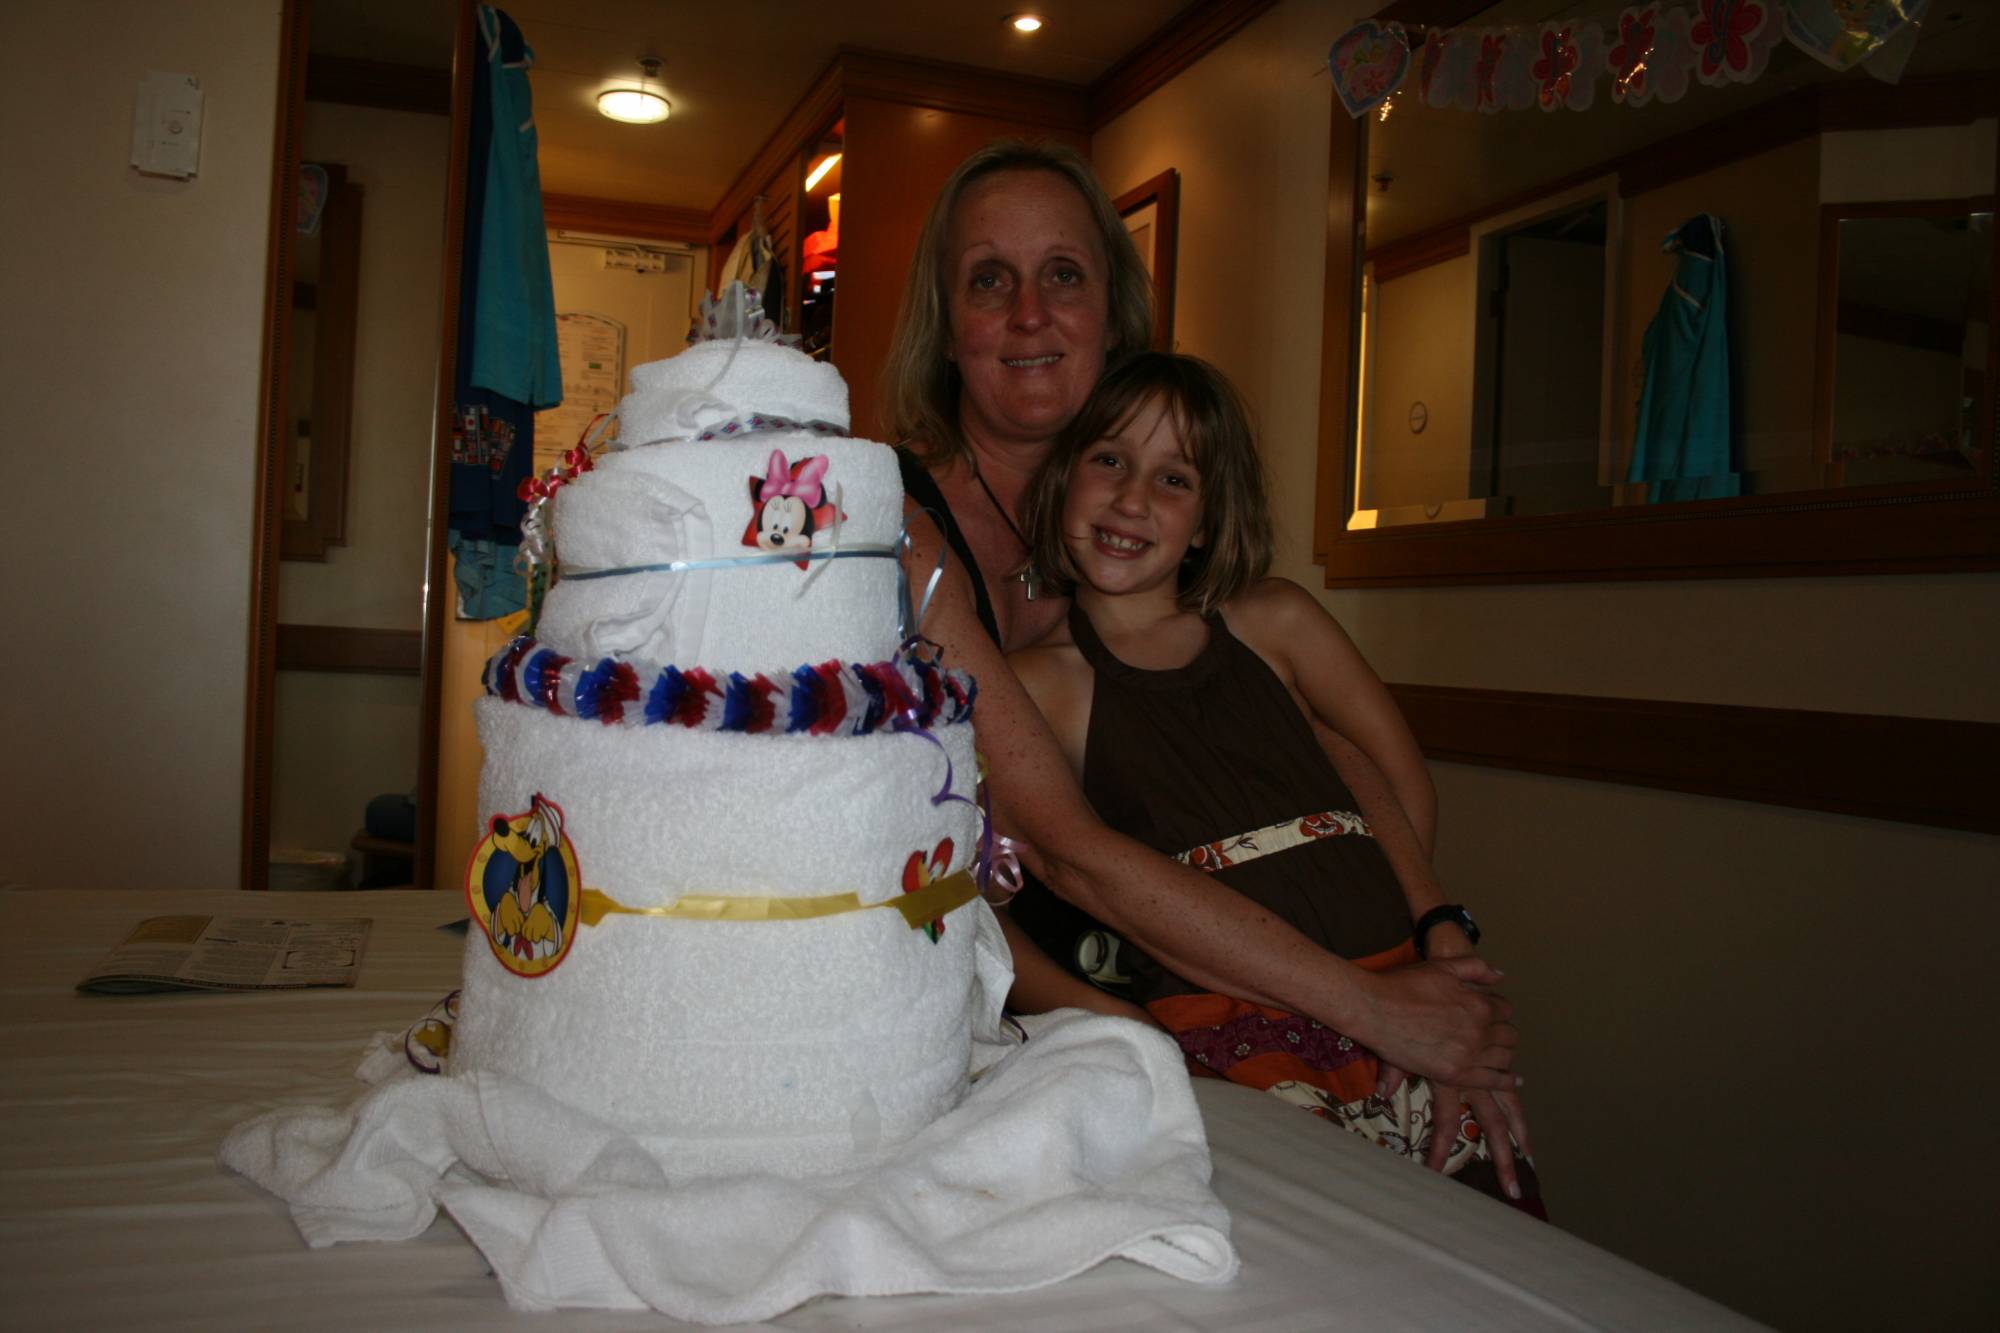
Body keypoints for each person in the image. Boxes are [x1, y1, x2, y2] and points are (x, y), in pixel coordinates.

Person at [880, 141, 1527, 1194]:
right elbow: (1049, 856)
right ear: (946, 327)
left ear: (1113, 313)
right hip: (1019, 1023)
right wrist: (1243, 1037)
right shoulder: (899, 529)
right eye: (988, 279)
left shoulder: (1172, 559)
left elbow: (1343, 768)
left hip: (1262, 1003)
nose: (1030, 313)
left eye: (1064, 275)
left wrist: (1435, 961)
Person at [1004, 352, 1536, 1203]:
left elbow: (1399, 787)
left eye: (1174, 478)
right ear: (1063, 478)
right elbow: (991, 896)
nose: (1132, 498)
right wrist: (1128, 1032)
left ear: (1211, 518)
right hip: (1223, 1027)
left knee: (1475, 1237)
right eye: (1109, 460)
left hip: (1403, 994)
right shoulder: (1036, 685)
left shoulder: (1278, 620)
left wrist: (1434, 940)